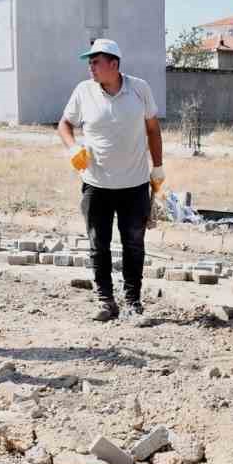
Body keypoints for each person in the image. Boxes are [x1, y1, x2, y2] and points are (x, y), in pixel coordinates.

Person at [57, 38, 164, 321]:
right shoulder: (84, 91)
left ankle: (133, 303)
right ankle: (106, 301)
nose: (90, 67)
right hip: (96, 184)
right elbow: (64, 124)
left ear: (113, 64)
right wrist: (72, 148)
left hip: (135, 184)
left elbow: (153, 129)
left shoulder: (140, 89)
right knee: (98, 244)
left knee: (134, 244)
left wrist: (159, 167)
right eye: (89, 62)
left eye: (95, 62)